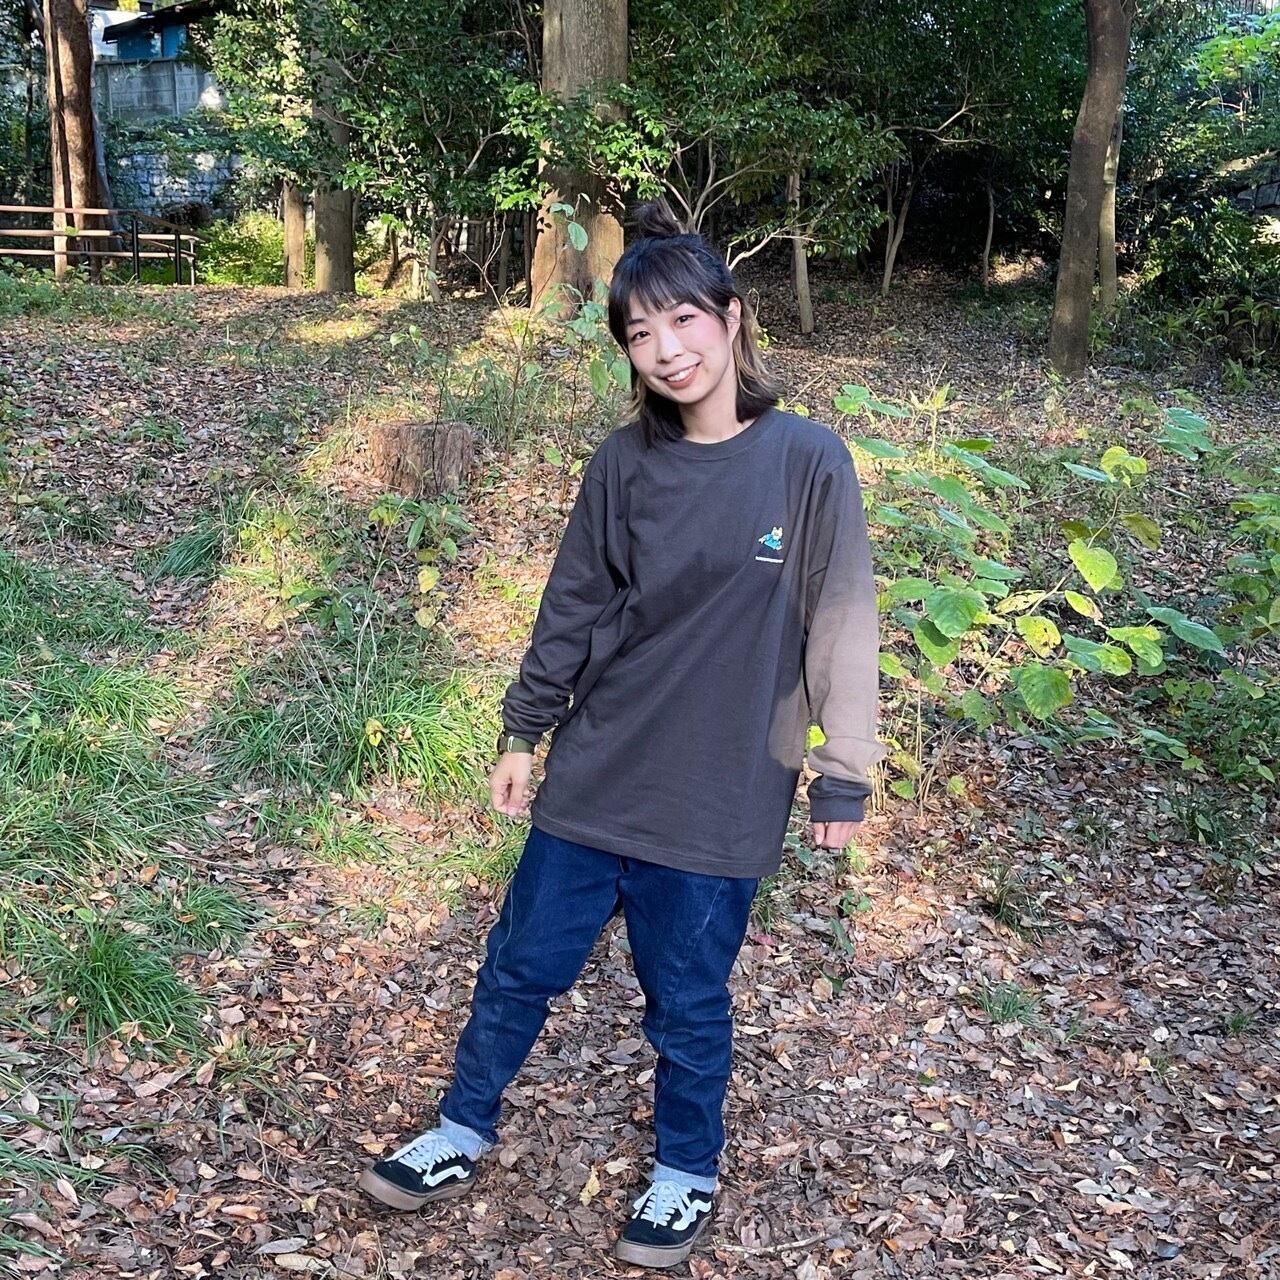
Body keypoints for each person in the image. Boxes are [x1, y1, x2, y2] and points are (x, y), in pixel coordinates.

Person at [357, 200, 885, 1270]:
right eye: (639, 334)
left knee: (686, 1001)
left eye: (682, 321)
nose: (666, 349)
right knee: (518, 964)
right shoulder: (623, 464)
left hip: (722, 790)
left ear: (731, 318)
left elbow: (841, 618)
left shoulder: (805, 459)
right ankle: (460, 1128)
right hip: (596, 772)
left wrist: (844, 772)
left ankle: (685, 1172)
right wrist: (523, 730)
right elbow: (574, 605)